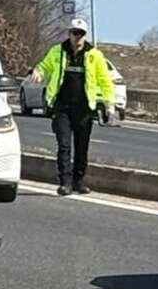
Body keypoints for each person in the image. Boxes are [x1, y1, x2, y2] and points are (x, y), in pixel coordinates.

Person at [30, 18, 115, 196]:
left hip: (84, 108)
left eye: (81, 33)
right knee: (64, 145)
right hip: (62, 106)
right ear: (69, 33)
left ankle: (78, 181)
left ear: (85, 35)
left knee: (81, 147)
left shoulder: (94, 55)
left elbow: (105, 81)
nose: (77, 37)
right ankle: (65, 182)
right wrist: (38, 71)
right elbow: (45, 66)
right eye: (74, 32)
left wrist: (109, 104)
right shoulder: (57, 51)